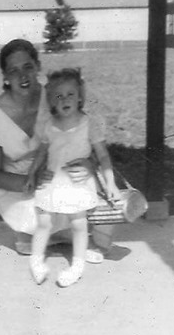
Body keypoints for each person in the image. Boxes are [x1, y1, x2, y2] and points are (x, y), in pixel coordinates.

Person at [0, 39, 115, 264]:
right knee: (41, 222)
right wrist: (33, 181)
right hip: (21, 184)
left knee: (88, 199)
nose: (22, 76)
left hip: (61, 168)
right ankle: (54, 233)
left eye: (28, 67)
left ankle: (67, 233)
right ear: (4, 75)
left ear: (38, 66)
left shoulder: (56, 93)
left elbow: (81, 132)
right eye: (13, 71)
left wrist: (90, 164)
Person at [24, 68, 121, 286]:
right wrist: (32, 174)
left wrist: (111, 183)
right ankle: (36, 261)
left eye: (70, 94)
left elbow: (103, 156)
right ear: (51, 102)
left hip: (77, 182)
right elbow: (42, 152)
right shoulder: (49, 126)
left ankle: (77, 265)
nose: (65, 99)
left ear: (80, 98)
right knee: (44, 221)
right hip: (54, 181)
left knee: (78, 223)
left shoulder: (89, 125)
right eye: (58, 96)